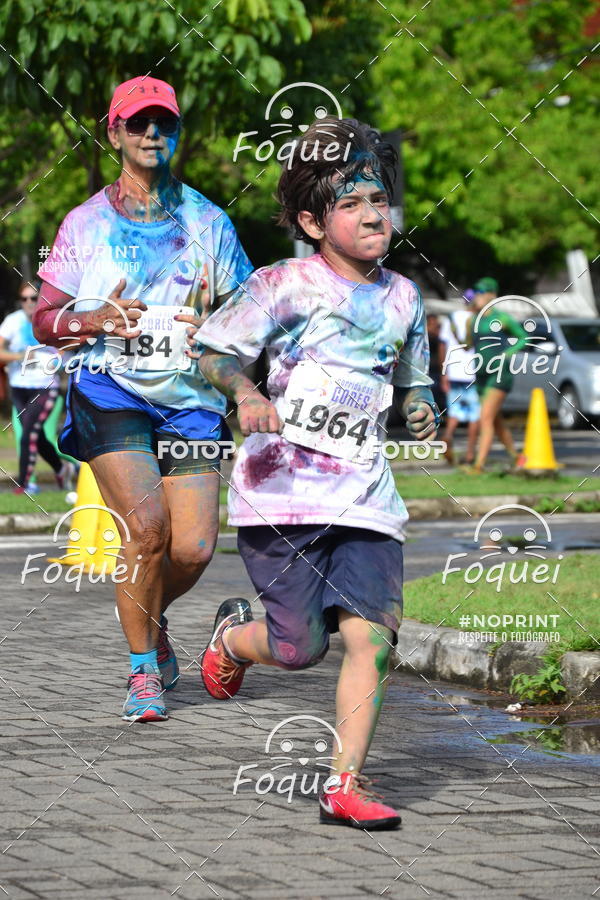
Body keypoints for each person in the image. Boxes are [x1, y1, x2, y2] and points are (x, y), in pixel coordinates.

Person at [195, 118, 439, 829]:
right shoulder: (282, 286)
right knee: (300, 649)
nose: (373, 214)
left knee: (371, 637)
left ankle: (345, 784)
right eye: (353, 203)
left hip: (366, 494)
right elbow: (213, 352)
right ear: (311, 220)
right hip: (284, 495)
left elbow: (414, 378)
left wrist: (421, 407)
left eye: (380, 199)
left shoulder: (403, 297)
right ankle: (234, 638)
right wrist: (245, 392)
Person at [33, 76, 252, 722]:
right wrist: (93, 318)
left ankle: (150, 621)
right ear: (115, 133)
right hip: (110, 389)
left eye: (165, 123)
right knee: (148, 530)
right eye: (139, 124)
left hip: (189, 398)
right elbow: (48, 319)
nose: (153, 134)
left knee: (192, 549)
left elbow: (247, 316)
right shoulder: (85, 224)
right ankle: (142, 676)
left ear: (178, 133)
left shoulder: (211, 222)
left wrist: (217, 325)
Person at [0, 280, 74, 494]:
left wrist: (56, 359)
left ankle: (26, 484)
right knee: (36, 436)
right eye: (25, 299)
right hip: (19, 388)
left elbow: (68, 347)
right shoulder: (12, 322)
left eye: (34, 298)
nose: (30, 303)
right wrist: (19, 356)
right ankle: (62, 468)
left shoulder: (51, 320)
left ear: (41, 298)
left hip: (44, 387)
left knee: (27, 434)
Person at [465, 277, 528, 473]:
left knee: (485, 418)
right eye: (477, 293)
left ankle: (479, 465)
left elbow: (523, 338)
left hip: (499, 373)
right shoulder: (473, 319)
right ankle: (517, 457)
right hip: (481, 374)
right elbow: (468, 345)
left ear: (493, 295)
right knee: (495, 420)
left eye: (482, 292)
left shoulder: (502, 318)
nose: (478, 296)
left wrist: (507, 353)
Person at [439, 294, 480, 465]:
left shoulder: (451, 319)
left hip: (454, 372)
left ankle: (447, 436)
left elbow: (442, 345)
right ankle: (470, 453)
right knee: (474, 415)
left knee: (454, 412)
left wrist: (444, 373)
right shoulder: (479, 321)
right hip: (473, 373)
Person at [426, 313, 447, 414]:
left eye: (436, 324)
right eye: (432, 324)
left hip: (436, 371)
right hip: (427, 371)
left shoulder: (439, 338)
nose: (434, 326)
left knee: (437, 396)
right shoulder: (424, 338)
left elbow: (442, 356)